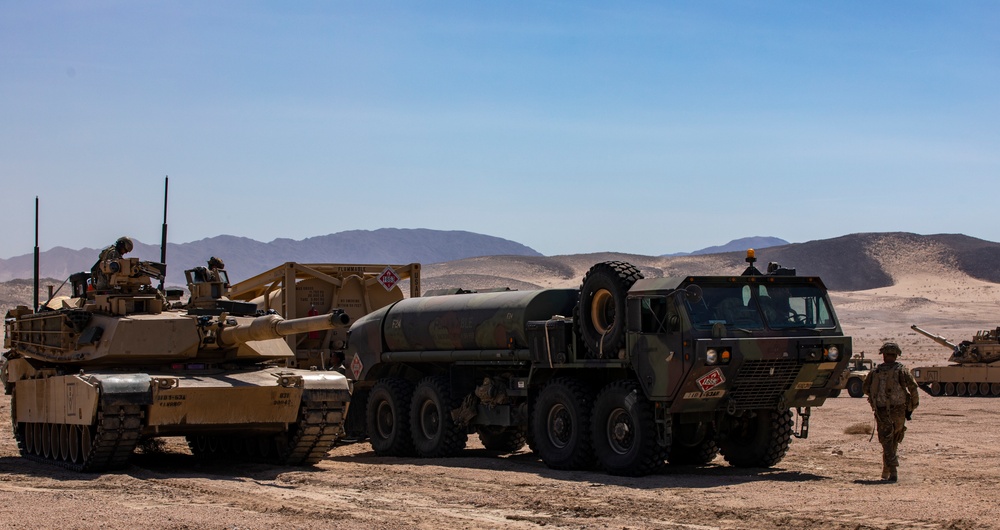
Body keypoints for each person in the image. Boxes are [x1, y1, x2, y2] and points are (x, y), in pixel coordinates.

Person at [862, 342, 919, 482]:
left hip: (882, 411)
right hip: (899, 410)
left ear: (883, 355)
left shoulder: (875, 372)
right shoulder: (902, 371)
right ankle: (886, 471)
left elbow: (865, 389)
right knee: (893, 440)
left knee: (886, 440)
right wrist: (912, 406)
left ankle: (892, 470)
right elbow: (913, 388)